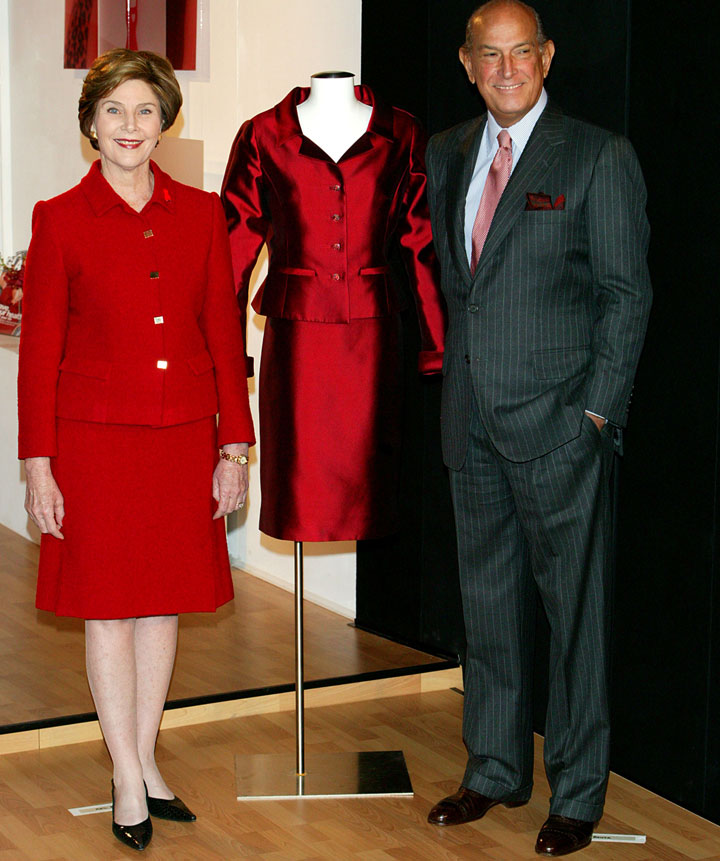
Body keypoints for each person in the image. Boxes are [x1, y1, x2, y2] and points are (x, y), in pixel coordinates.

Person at [424, 2, 652, 855]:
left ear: (548, 57)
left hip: (561, 428)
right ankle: (492, 767)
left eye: (523, 53)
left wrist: (596, 411)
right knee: (487, 610)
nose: (507, 68)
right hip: (471, 424)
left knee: (574, 617)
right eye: (491, 55)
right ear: (467, 62)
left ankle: (579, 790)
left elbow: (628, 295)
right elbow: (459, 287)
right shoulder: (447, 151)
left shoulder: (597, 155)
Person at [17, 49, 254, 852]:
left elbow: (223, 336)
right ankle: (126, 774)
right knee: (108, 611)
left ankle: (145, 760)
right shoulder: (58, 216)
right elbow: (41, 351)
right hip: (93, 443)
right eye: (113, 111)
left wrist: (235, 445)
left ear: (165, 121)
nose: (130, 126)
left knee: (162, 604)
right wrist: (38, 463)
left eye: (145, 110)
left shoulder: (203, 212)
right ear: (91, 124)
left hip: (184, 436)